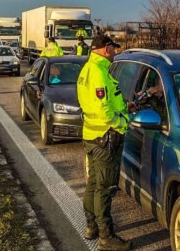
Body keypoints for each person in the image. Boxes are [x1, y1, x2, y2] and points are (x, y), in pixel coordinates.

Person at [76, 34, 132, 251]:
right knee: (105, 188)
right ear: (106, 48)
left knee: (93, 185)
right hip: (105, 138)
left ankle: (91, 226)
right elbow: (103, 109)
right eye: (113, 48)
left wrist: (127, 106)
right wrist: (121, 122)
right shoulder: (99, 73)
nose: (115, 52)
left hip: (92, 135)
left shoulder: (88, 69)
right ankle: (106, 237)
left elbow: (103, 102)